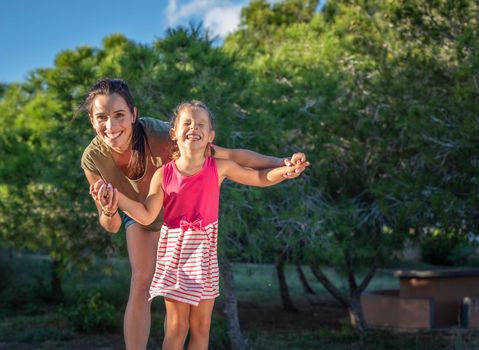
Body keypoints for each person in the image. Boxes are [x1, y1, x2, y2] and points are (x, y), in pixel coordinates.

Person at [80, 78, 309, 349]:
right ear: (92, 121)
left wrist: (282, 163)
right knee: (143, 282)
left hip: (180, 214)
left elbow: (236, 159)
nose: (111, 126)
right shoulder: (93, 159)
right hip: (140, 208)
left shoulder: (164, 135)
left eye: (119, 115)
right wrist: (110, 206)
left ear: (134, 114)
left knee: (199, 325)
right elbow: (111, 224)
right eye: (101, 118)